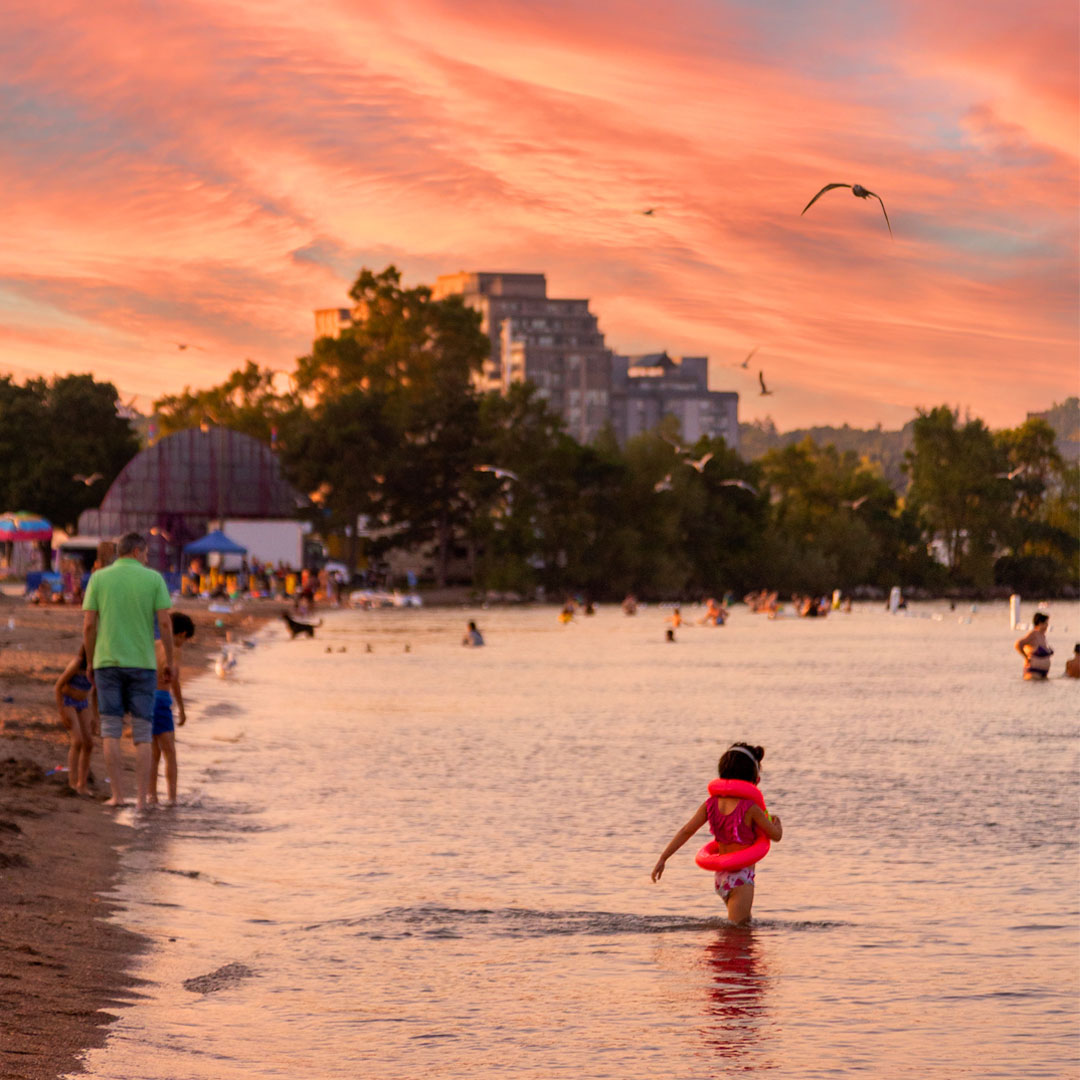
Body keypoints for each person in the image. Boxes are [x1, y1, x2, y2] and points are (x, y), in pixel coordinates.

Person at [82, 532, 174, 810]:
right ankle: (143, 801)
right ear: (136, 551)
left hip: (107, 662)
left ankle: (118, 796)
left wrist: (90, 660)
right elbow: (166, 624)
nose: (147, 559)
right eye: (145, 554)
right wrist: (169, 660)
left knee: (110, 728)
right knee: (143, 732)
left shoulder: (98, 578)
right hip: (143, 664)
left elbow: (88, 626)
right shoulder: (154, 579)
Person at [651, 743, 783, 924]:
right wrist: (777, 822)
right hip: (741, 878)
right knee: (740, 932)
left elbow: (686, 830)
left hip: (721, 878)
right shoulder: (751, 808)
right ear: (753, 777)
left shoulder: (711, 804)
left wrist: (663, 857)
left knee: (740, 928)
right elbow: (775, 836)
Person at [150, 611, 194, 806]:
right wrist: (182, 708)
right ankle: (172, 798)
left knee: (153, 752)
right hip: (160, 700)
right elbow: (174, 678)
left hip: (145, 698)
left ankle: (151, 795)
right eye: (185, 639)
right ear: (182, 634)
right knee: (170, 753)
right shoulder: (174, 649)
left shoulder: (153, 645)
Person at [53, 645, 97, 795]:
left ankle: (82, 784)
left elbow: (95, 693)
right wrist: (62, 711)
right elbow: (58, 686)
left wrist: (95, 716)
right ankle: (72, 782)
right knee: (77, 741)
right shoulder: (77, 663)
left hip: (84, 703)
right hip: (68, 701)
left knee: (89, 743)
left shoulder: (98, 667)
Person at [1015, 612, 1052, 680]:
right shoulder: (1033, 634)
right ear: (1040, 623)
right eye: (1046, 623)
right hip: (1033, 673)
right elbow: (1018, 644)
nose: (1047, 626)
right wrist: (1026, 657)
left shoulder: (1042, 636)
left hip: (1043, 674)